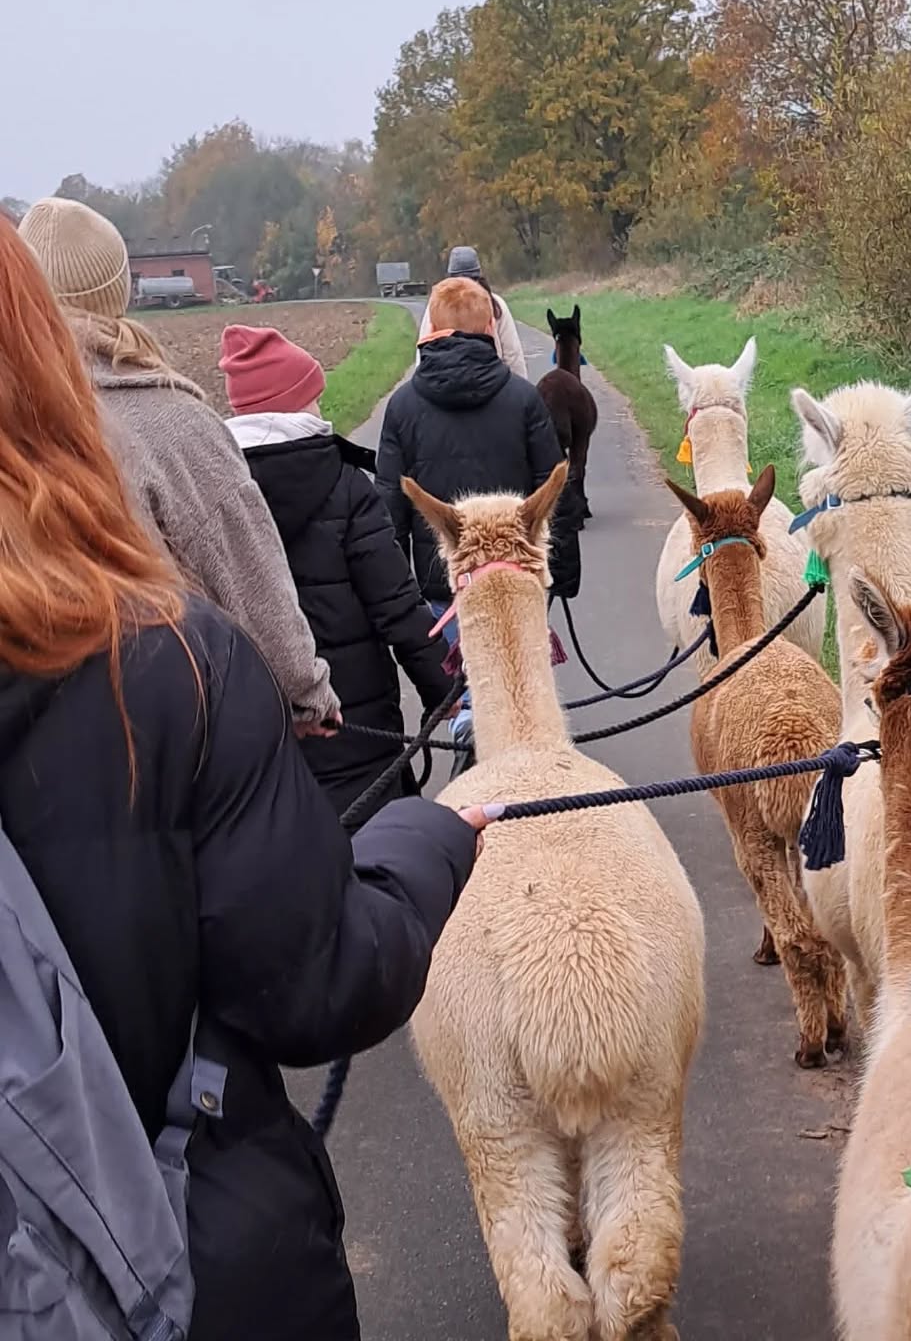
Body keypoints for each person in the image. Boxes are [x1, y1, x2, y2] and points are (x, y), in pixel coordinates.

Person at [0, 216, 488, 1340]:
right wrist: (428, 829)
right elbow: (314, 977)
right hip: (188, 1240)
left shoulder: (378, 424)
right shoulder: (161, 625)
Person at [17, 196, 340, 730]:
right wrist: (308, 695)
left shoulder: (16, 423)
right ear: (118, 290)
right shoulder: (173, 423)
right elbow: (250, 578)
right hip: (173, 742)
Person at [221, 323, 455, 815]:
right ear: (292, 402)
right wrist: (444, 689)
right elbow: (398, 607)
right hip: (356, 732)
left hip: (259, 741)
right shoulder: (346, 486)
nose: (320, 409)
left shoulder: (213, 492)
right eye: (313, 398)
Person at [378, 277, 581, 767]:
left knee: (473, 688)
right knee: (520, 685)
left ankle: (476, 756)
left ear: (430, 329)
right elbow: (556, 494)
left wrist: (402, 596)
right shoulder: (524, 399)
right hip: (518, 578)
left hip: (446, 584)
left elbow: (390, 509)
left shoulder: (402, 408)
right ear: (491, 325)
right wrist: (565, 574)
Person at [415, 245, 527, 376]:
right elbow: (512, 354)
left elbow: (423, 349)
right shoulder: (495, 304)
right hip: (491, 380)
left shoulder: (437, 305)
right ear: (478, 276)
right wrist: (519, 389)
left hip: (444, 380)